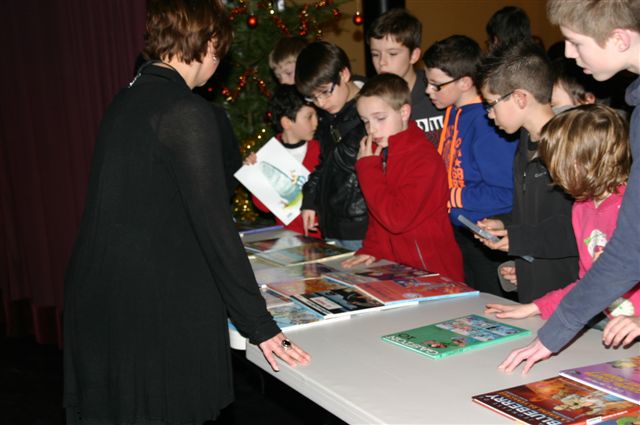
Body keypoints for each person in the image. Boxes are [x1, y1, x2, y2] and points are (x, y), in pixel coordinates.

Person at [63, 1, 310, 423]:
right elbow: (215, 227)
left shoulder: (129, 98)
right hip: (151, 305)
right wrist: (260, 325)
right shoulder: (185, 111)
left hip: (102, 294)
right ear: (209, 43)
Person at [499, 0, 640, 374]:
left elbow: (629, 255)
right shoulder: (582, 209)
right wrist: (542, 306)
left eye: (576, 42)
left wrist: (553, 334)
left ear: (619, 38)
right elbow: (590, 278)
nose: (568, 53)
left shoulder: (620, 204)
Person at [485, 104, 637, 325]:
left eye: (556, 161)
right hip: (607, 321)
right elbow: (586, 284)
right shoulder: (582, 208)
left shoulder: (630, 208)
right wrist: (536, 307)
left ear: (582, 161)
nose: (552, 170)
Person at [476, 42, 579, 304]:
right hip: (536, 290)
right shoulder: (524, 143)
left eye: (491, 104)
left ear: (520, 98)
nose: (489, 114)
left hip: (571, 295)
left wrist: (519, 238)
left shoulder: (570, 147)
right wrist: (504, 223)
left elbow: (580, 229)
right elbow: (536, 214)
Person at [342, 74, 464, 281]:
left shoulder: (424, 159)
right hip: (397, 269)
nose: (372, 129)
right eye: (365, 121)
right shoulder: (383, 151)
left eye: (380, 118)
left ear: (404, 112)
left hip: (432, 272)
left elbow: (396, 219)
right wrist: (372, 248)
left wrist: (368, 170)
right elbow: (377, 214)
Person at [422, 35, 516, 296]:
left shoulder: (488, 124)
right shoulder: (454, 112)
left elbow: (505, 193)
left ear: (465, 82)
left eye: (436, 85)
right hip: (462, 232)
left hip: (488, 238)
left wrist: (447, 195)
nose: (428, 91)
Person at [295, 41, 367, 251]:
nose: (321, 103)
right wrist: (310, 200)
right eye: (313, 98)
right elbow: (326, 163)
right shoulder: (329, 116)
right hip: (332, 225)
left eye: (326, 92)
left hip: (362, 227)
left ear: (344, 74)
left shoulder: (373, 111)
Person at [244, 85, 322, 237]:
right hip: (288, 237)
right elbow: (263, 207)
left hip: (321, 237)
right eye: (309, 117)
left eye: (316, 115)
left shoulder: (321, 150)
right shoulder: (269, 154)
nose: (316, 123)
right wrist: (254, 174)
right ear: (287, 123)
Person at [366, 8, 444, 147]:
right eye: (375, 54)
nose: (382, 62)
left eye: (392, 54)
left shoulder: (438, 91)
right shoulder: (370, 99)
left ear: (413, 55)